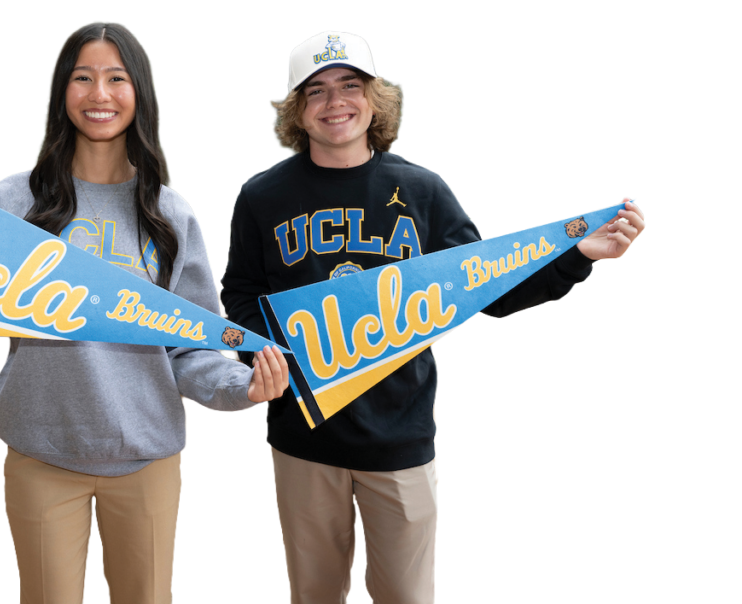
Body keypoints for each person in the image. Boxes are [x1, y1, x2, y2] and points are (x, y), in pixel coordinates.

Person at [0, 22, 290, 604]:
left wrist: (244, 385)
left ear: (139, 93)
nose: (99, 94)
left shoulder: (170, 214)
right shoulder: (12, 202)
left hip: (146, 458)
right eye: (83, 78)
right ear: (61, 92)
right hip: (40, 453)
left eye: (116, 78)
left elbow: (189, 347)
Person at [219, 31, 645, 604]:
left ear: (375, 99)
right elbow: (241, 292)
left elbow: (488, 289)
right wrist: (264, 353)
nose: (335, 101)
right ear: (296, 110)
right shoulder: (261, 197)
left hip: (399, 432)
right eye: (316, 90)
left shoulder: (421, 191)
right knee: (313, 593)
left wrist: (578, 254)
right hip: (303, 433)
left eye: (350, 85)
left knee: (407, 594)